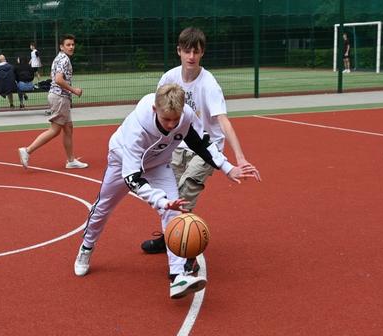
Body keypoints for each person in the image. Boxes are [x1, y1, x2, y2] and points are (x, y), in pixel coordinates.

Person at [73, 84, 258, 299]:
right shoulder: (138, 127)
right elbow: (133, 178)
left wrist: (228, 168)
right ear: (155, 110)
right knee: (104, 206)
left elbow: (202, 143)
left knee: (174, 213)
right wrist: (160, 200)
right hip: (122, 161)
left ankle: (177, 276)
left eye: (175, 120)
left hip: (159, 165)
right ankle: (86, 248)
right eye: (166, 120)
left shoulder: (185, 116)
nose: (172, 125)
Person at [141, 27, 262, 278]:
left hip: (205, 149)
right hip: (176, 146)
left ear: (202, 53)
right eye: (187, 51)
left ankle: (188, 256)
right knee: (167, 197)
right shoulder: (169, 78)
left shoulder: (209, 85)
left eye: (196, 51)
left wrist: (238, 157)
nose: (191, 56)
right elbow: (159, 112)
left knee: (184, 195)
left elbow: (223, 120)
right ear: (179, 51)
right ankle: (169, 239)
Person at [18, 34, 87, 170]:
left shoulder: (60, 58)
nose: (71, 47)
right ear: (62, 46)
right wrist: (74, 90)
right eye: (68, 44)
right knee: (55, 130)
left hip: (60, 97)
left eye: (73, 44)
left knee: (68, 129)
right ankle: (27, 150)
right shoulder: (64, 60)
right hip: (60, 97)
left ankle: (70, 160)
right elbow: (59, 79)